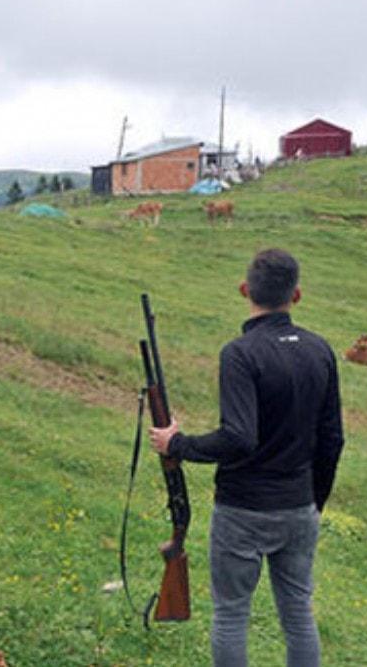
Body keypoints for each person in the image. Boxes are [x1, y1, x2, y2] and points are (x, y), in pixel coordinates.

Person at [149, 249, 344, 667]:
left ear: (244, 291)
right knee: (297, 614)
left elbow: (239, 438)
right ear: (297, 295)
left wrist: (177, 444)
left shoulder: (240, 353)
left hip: (242, 510)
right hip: (298, 506)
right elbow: (333, 439)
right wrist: (313, 502)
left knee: (232, 616)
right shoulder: (321, 350)